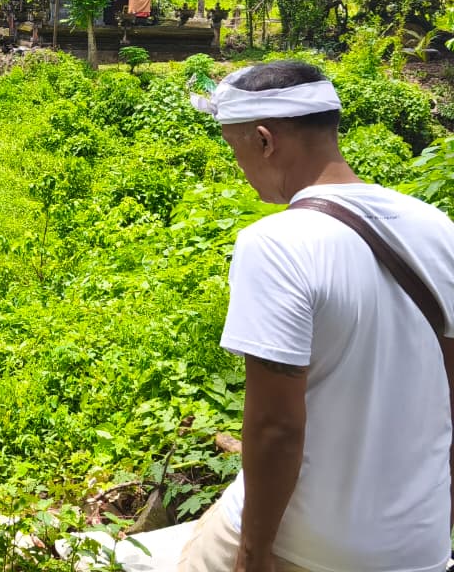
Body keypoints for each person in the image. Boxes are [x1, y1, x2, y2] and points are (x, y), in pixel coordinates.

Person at [180, 60, 454, 572]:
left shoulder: (276, 244)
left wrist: (254, 554)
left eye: (233, 147)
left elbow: (277, 426)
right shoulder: (438, 229)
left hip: (310, 547)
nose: (238, 165)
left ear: (264, 141)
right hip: (421, 546)